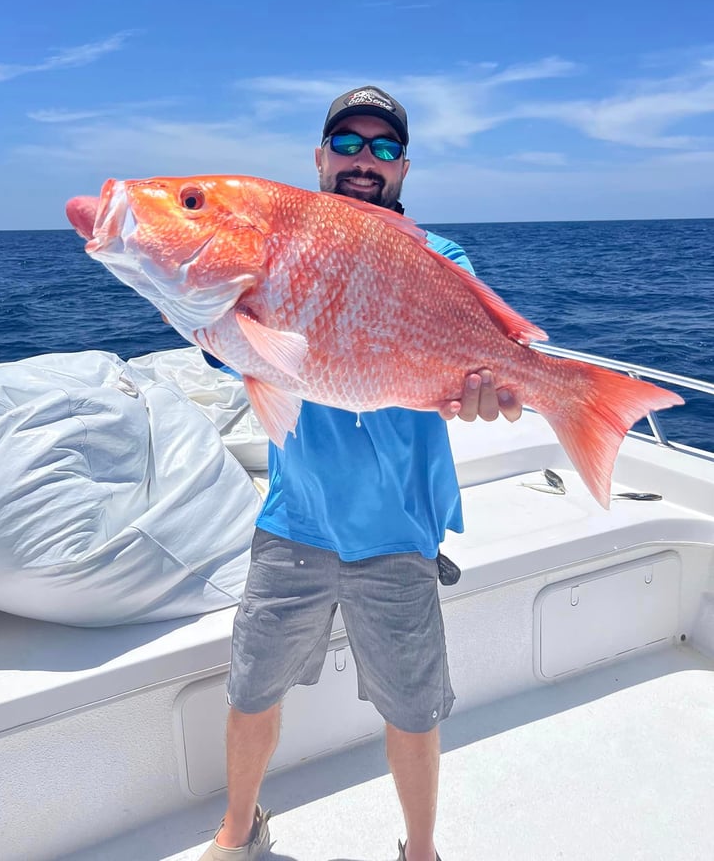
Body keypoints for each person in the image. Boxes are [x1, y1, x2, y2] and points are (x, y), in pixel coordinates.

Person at [199, 86, 522, 861]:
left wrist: (488, 394)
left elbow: (479, 362)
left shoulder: (442, 260)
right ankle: (237, 831)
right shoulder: (272, 246)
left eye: (383, 148)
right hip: (294, 521)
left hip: (398, 532)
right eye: (348, 143)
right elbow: (226, 348)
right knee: (251, 692)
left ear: (403, 167)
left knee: (413, 711)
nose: (364, 160)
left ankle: (420, 850)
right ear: (319, 157)